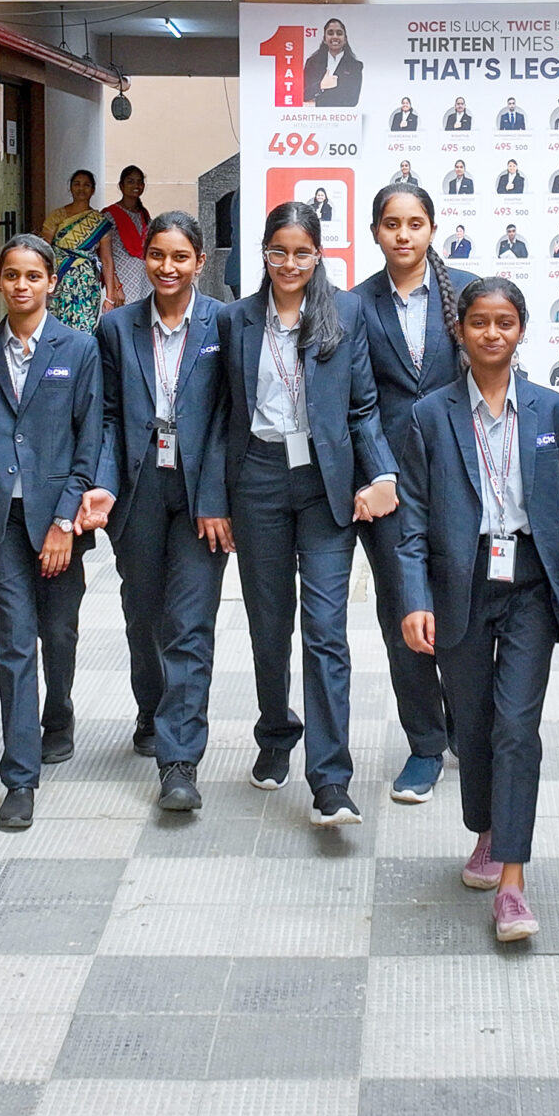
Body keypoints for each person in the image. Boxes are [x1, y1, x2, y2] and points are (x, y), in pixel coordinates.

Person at [397, 278, 559, 942]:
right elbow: (413, 520)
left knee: (516, 725)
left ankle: (512, 880)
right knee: (476, 724)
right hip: (461, 584)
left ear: (521, 329)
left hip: (532, 584)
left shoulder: (551, 410)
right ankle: (486, 827)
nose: (491, 333)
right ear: (460, 330)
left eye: (504, 322)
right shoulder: (430, 414)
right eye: (479, 321)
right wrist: (415, 599)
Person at [220, 201, 395, 826]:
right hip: (258, 479)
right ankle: (275, 734)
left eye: (301, 253)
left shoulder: (345, 313)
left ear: (318, 254)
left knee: (325, 630)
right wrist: (216, 500)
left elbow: (363, 407)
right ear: (264, 253)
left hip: (326, 485)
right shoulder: (236, 319)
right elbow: (220, 415)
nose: (289, 264)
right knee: (269, 624)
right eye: (278, 252)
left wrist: (381, 473)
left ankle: (331, 779)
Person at [0, 235, 106, 832]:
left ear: (51, 284)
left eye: (33, 276)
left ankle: (57, 712)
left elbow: (90, 440)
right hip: (1, 522)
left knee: (58, 632)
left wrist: (65, 520)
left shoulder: (79, 348)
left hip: (58, 518)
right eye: (11, 274)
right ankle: (19, 776)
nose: (22, 285)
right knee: (14, 642)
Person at [95, 212, 231, 809]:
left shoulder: (225, 323)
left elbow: (232, 417)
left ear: (199, 262)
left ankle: (180, 761)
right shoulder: (116, 327)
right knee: (143, 612)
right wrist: (103, 484)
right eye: (157, 255)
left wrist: (218, 497)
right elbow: (104, 415)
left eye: (180, 257)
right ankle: (152, 710)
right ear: (144, 258)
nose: (168, 268)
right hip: (139, 486)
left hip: (203, 495)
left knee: (190, 622)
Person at [349, 183, 476, 802]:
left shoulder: (467, 293)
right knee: (404, 611)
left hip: (460, 479)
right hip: (389, 489)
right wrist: (380, 474)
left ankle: (466, 727)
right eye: (392, 223)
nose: (403, 234)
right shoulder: (355, 304)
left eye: (415, 223)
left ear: (432, 228)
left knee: (461, 608)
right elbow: (358, 402)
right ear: (376, 231)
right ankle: (425, 743)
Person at [40, 169, 116, 329]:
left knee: (84, 325)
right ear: (70, 188)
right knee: (56, 325)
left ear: (93, 190)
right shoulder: (57, 216)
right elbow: (44, 251)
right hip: (59, 278)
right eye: (77, 184)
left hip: (87, 284)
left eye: (86, 185)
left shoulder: (99, 221)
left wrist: (110, 296)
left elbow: (107, 259)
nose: (81, 188)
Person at [103, 166, 154, 306]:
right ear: (121, 185)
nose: (136, 185)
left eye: (139, 182)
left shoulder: (144, 214)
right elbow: (105, 256)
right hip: (122, 280)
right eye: (130, 181)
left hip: (144, 279)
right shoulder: (109, 215)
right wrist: (115, 286)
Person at [302, 18, 364, 107]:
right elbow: (303, 94)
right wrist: (321, 85)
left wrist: (316, 103)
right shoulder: (312, 63)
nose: (335, 36)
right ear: (324, 39)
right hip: (315, 115)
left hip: (341, 115)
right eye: (330, 33)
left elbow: (351, 100)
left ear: (345, 39)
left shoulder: (355, 66)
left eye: (339, 33)